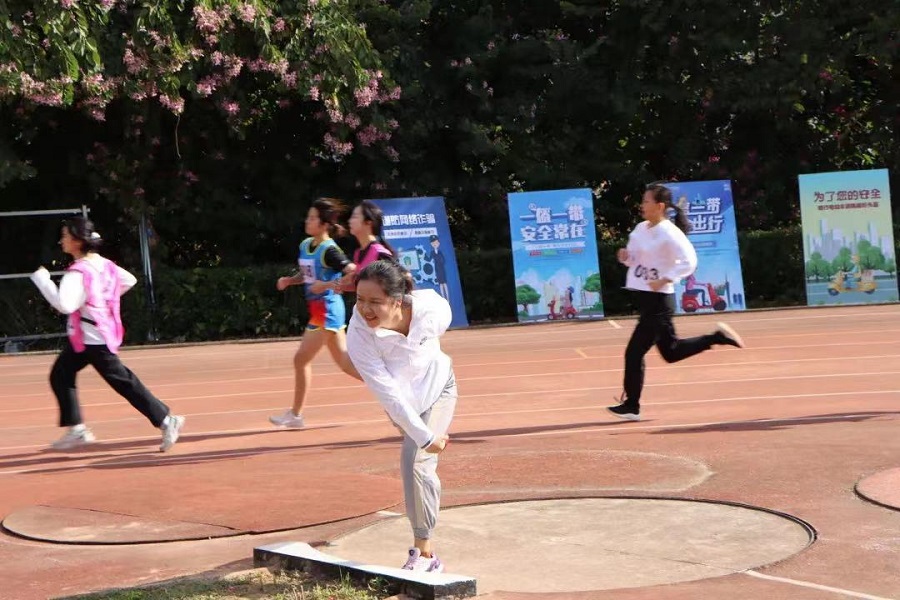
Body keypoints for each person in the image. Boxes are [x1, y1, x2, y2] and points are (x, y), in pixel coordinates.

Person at [30, 217, 185, 451]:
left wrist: (43, 281)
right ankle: (77, 429)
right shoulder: (104, 264)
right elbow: (128, 280)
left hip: (94, 340)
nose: (61, 241)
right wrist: (102, 299)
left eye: (65, 236)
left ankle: (166, 420)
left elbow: (65, 305)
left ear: (77, 241)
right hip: (87, 338)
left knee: (123, 382)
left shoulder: (78, 273)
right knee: (61, 374)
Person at [347, 260, 456, 573]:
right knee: (419, 450)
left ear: (397, 300)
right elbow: (388, 393)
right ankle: (425, 548)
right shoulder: (358, 334)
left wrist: (425, 438)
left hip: (439, 389)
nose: (365, 309)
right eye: (360, 299)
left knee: (415, 462)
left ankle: (426, 555)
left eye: (375, 302)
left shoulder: (432, 310)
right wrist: (425, 436)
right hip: (401, 404)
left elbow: (438, 335)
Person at [608, 183, 745, 422]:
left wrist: (665, 278)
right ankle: (715, 338)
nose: (642, 205)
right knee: (671, 352)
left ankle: (632, 405)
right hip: (646, 298)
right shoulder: (640, 229)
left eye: (646, 201)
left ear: (660, 206)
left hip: (659, 301)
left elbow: (690, 261)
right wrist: (625, 257)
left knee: (634, 352)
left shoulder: (670, 232)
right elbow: (634, 258)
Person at [269, 198, 362, 428]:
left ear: (324, 224)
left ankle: (296, 415)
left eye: (312, 218)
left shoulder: (330, 250)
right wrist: (290, 280)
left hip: (328, 311)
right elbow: (307, 275)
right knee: (345, 364)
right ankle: (392, 385)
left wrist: (329, 285)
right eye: (308, 217)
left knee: (300, 359)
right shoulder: (306, 245)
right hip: (318, 311)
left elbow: (354, 272)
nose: (307, 221)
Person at [338, 200, 395, 325]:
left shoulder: (380, 253)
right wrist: (337, 285)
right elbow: (361, 286)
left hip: (383, 319)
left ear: (368, 222)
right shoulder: (358, 253)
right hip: (367, 316)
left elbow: (396, 286)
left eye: (355, 217)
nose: (350, 221)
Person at [426, 234, 449, 300]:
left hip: (442, 269)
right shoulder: (432, 252)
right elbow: (429, 259)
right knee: (441, 284)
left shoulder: (440, 252)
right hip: (437, 269)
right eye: (433, 243)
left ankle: (447, 298)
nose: (435, 244)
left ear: (438, 243)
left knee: (444, 283)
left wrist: (438, 259)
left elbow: (443, 260)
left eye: (436, 242)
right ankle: (443, 298)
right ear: (431, 244)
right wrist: (424, 256)